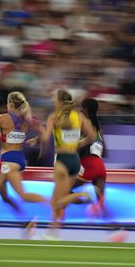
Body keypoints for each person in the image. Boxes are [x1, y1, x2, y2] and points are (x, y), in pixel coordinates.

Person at [0, 91, 49, 234]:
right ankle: (47, 207)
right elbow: (44, 134)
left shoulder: (1, 118)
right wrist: (36, 141)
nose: (6, 105)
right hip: (19, 160)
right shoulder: (27, 119)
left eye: (7, 103)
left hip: (8, 161)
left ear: (11, 104)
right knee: (22, 195)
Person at [40, 89, 96, 239]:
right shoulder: (79, 116)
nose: (53, 101)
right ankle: (54, 230)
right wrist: (80, 143)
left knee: (57, 202)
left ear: (59, 102)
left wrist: (37, 128)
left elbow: (45, 139)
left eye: (54, 99)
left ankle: (83, 195)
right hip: (75, 161)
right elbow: (92, 136)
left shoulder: (54, 117)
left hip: (62, 161)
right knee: (56, 200)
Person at [54, 98, 107, 217]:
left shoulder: (82, 125)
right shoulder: (98, 127)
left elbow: (73, 147)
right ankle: (112, 229)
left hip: (88, 165)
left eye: (81, 108)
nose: (80, 110)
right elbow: (105, 152)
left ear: (85, 110)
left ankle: (86, 200)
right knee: (101, 204)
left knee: (64, 192)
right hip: (100, 166)